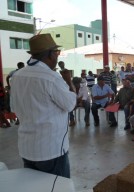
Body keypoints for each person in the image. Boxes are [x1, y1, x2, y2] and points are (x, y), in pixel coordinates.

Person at [10, 34, 76, 178]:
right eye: (56, 52)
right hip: (51, 150)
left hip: (27, 149)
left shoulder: (16, 76)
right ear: (50, 55)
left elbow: (14, 108)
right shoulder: (51, 78)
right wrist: (69, 82)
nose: (57, 56)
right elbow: (70, 104)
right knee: (58, 188)